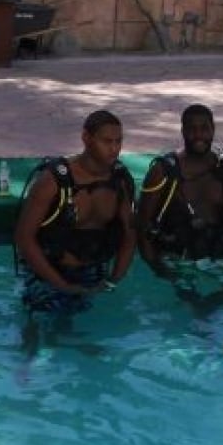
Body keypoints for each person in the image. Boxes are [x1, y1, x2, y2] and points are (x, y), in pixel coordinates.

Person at [14, 109, 137, 315]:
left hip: (94, 271)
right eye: (106, 141)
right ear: (86, 138)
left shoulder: (120, 180)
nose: (114, 149)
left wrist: (114, 279)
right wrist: (63, 286)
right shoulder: (53, 181)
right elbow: (24, 239)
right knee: (40, 330)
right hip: (48, 272)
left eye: (118, 141)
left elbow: (130, 233)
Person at [138, 104, 223, 271]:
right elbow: (141, 226)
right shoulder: (163, 172)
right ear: (183, 131)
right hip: (176, 262)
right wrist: (160, 270)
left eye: (204, 128)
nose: (198, 135)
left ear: (213, 130)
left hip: (221, 260)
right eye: (192, 129)